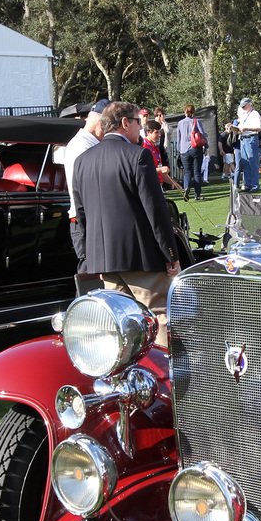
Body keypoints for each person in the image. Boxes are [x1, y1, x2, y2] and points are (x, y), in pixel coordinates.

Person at [71, 102, 180, 342]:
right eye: (137, 123)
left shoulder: (82, 161)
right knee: (158, 315)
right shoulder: (138, 155)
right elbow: (156, 210)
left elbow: (82, 217)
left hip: (105, 260)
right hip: (140, 258)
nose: (140, 130)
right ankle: (163, 377)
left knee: (122, 324)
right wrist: (170, 254)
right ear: (124, 123)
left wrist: (92, 259)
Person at [63, 100, 109, 286]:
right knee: (90, 275)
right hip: (86, 220)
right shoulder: (83, 146)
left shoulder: (84, 143)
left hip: (88, 219)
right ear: (100, 123)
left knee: (94, 273)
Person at [176, 104, 206, 201]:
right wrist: (206, 146)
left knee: (187, 172)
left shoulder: (180, 123)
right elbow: (202, 134)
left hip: (184, 149)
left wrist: (179, 150)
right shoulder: (196, 121)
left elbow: (178, 137)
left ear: (185, 112)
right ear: (193, 112)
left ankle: (186, 188)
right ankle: (197, 195)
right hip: (196, 148)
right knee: (197, 172)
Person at [142, 120, 181, 192]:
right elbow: (142, 171)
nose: (159, 135)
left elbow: (160, 172)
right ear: (148, 132)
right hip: (147, 187)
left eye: (160, 132)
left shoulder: (156, 148)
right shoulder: (143, 148)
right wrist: (160, 170)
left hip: (157, 186)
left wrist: (173, 182)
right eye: (156, 132)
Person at [235, 96, 261, 191]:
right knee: (245, 163)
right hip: (242, 139)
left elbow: (258, 128)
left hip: (251, 139)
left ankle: (255, 185)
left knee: (253, 162)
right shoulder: (243, 115)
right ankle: (247, 184)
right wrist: (236, 130)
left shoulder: (255, 114)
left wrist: (247, 129)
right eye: (242, 106)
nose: (243, 108)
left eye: (244, 106)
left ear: (249, 104)